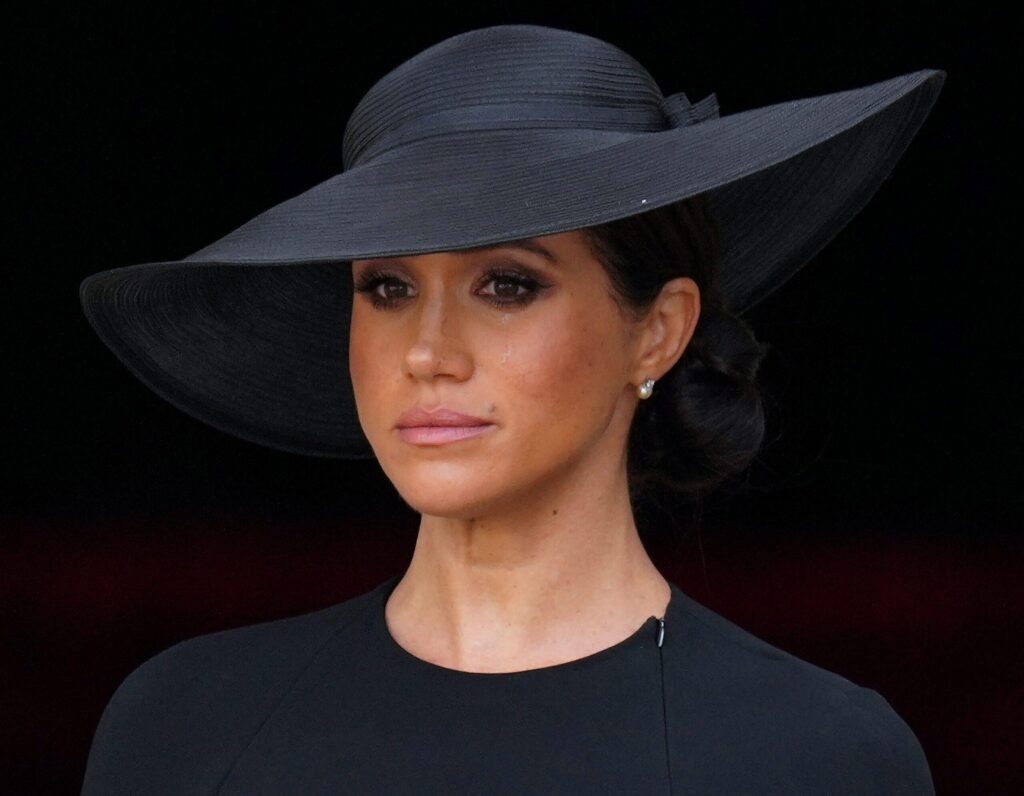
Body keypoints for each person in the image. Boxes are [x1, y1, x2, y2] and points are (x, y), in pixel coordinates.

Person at [77, 23, 944, 795]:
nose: (426, 352)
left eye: (506, 284)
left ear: (659, 331)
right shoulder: (182, 727)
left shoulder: (819, 758)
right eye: (386, 287)